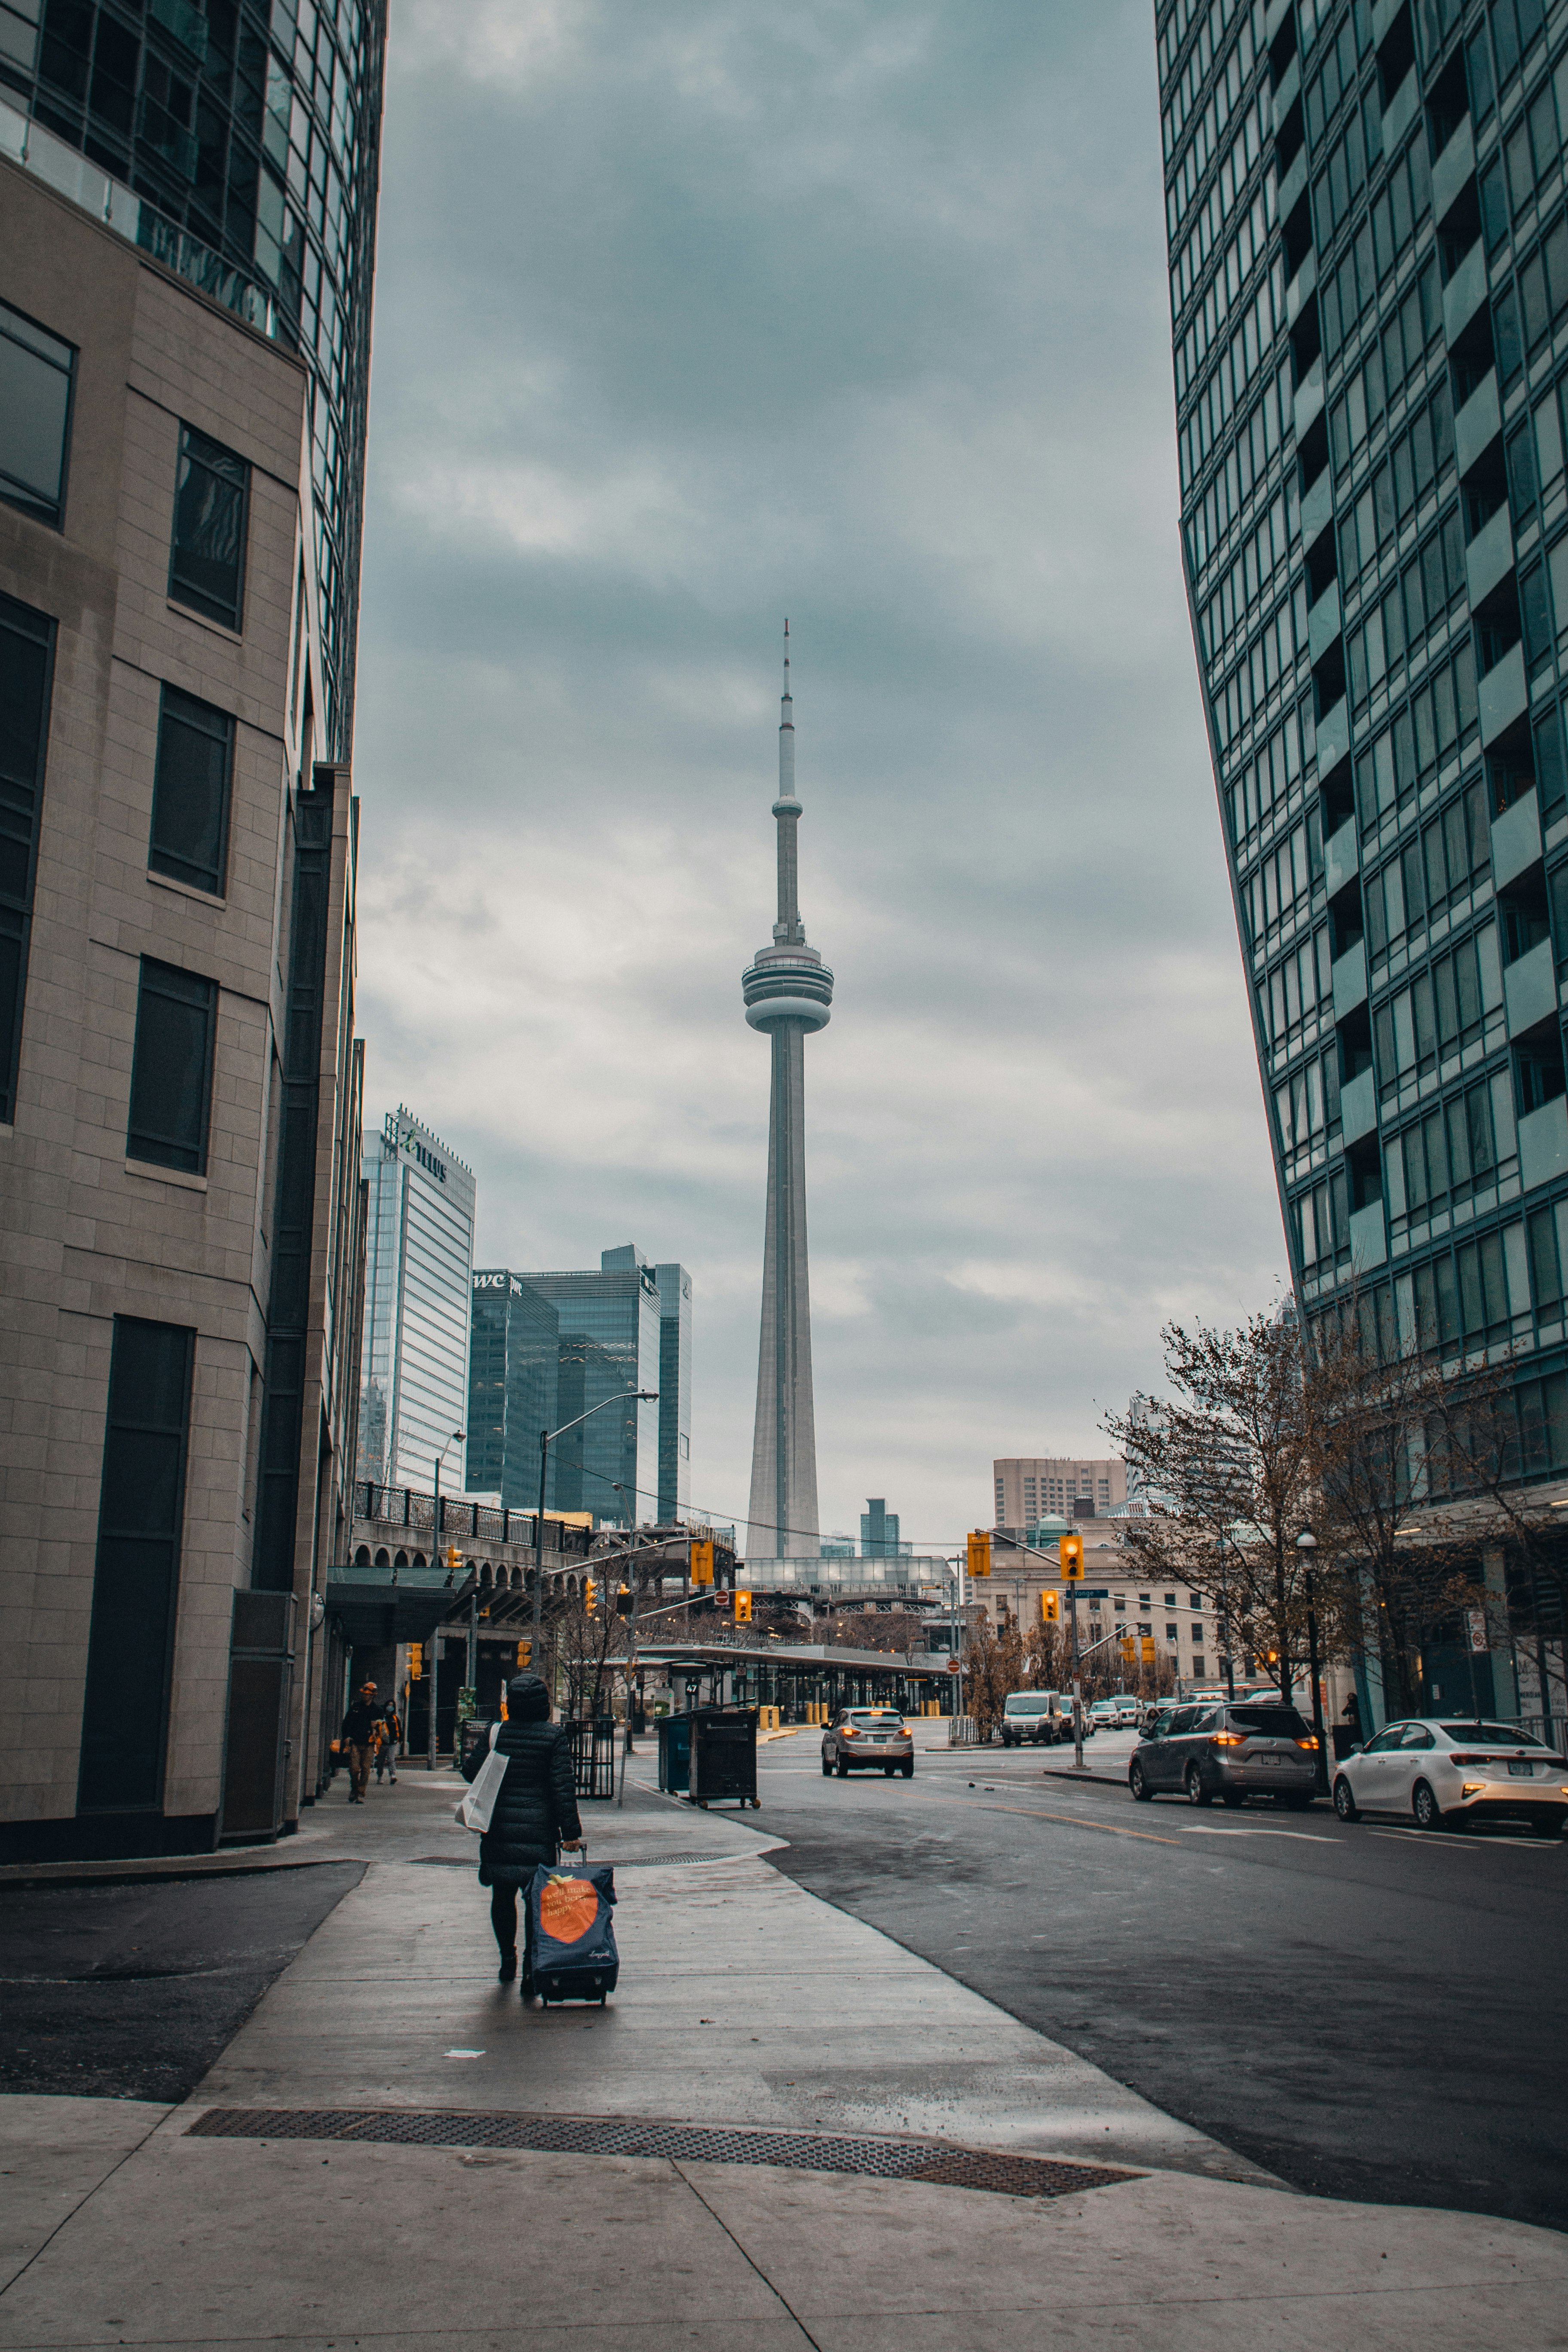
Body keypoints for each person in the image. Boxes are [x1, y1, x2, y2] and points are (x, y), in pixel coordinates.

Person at [461, 1672, 581, 1993]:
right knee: (536, 1900)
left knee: (501, 1895)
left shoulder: (497, 1733)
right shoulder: (552, 1737)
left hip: (498, 1826)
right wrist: (570, 1832)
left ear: (510, 1704)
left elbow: (470, 1772)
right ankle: (531, 1966)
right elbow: (562, 1788)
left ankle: (507, 1959)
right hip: (539, 1829)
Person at [340, 1681, 385, 1803]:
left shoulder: (378, 1711)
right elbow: (346, 1723)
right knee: (354, 1769)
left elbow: (384, 1731)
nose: (365, 1696)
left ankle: (360, 1793)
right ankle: (354, 1788)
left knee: (366, 1769)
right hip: (355, 1741)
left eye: (367, 1694)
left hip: (369, 1744)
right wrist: (347, 1737)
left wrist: (377, 1725)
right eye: (364, 1694)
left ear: (373, 1696)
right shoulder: (356, 1707)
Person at [374, 1699, 402, 1785]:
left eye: (392, 1705)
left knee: (391, 1759)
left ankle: (393, 1775)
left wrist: (400, 1740)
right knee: (380, 1761)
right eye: (389, 1705)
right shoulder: (382, 1717)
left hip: (392, 1743)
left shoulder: (395, 1718)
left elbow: (399, 1729)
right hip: (382, 1743)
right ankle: (380, 1776)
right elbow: (376, 1728)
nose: (391, 1707)